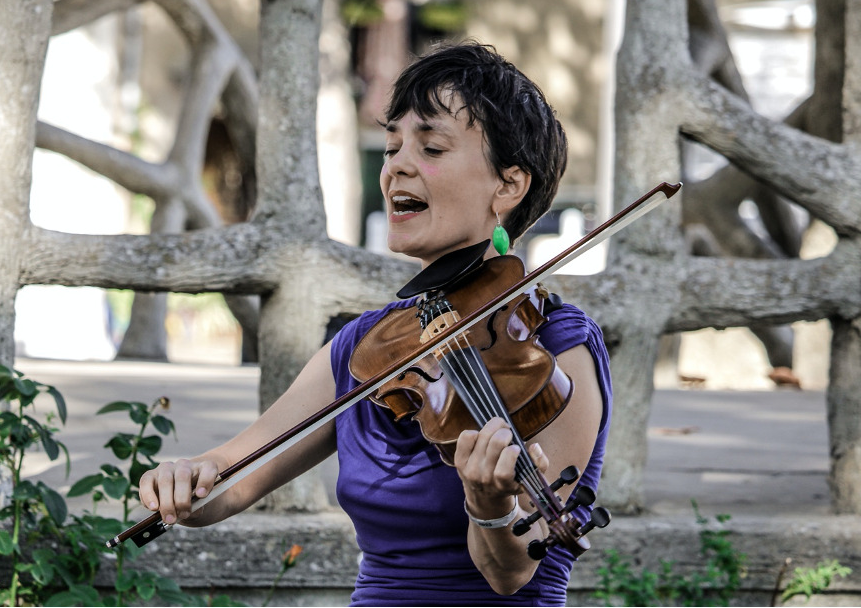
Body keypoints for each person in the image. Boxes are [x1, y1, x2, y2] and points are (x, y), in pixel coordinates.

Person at [139, 41, 612, 606]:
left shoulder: (553, 348)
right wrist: (185, 479)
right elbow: (230, 479)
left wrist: (491, 505)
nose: (396, 167)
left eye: (431, 148)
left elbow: (511, 573)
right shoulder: (367, 348)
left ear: (508, 185)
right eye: (391, 147)